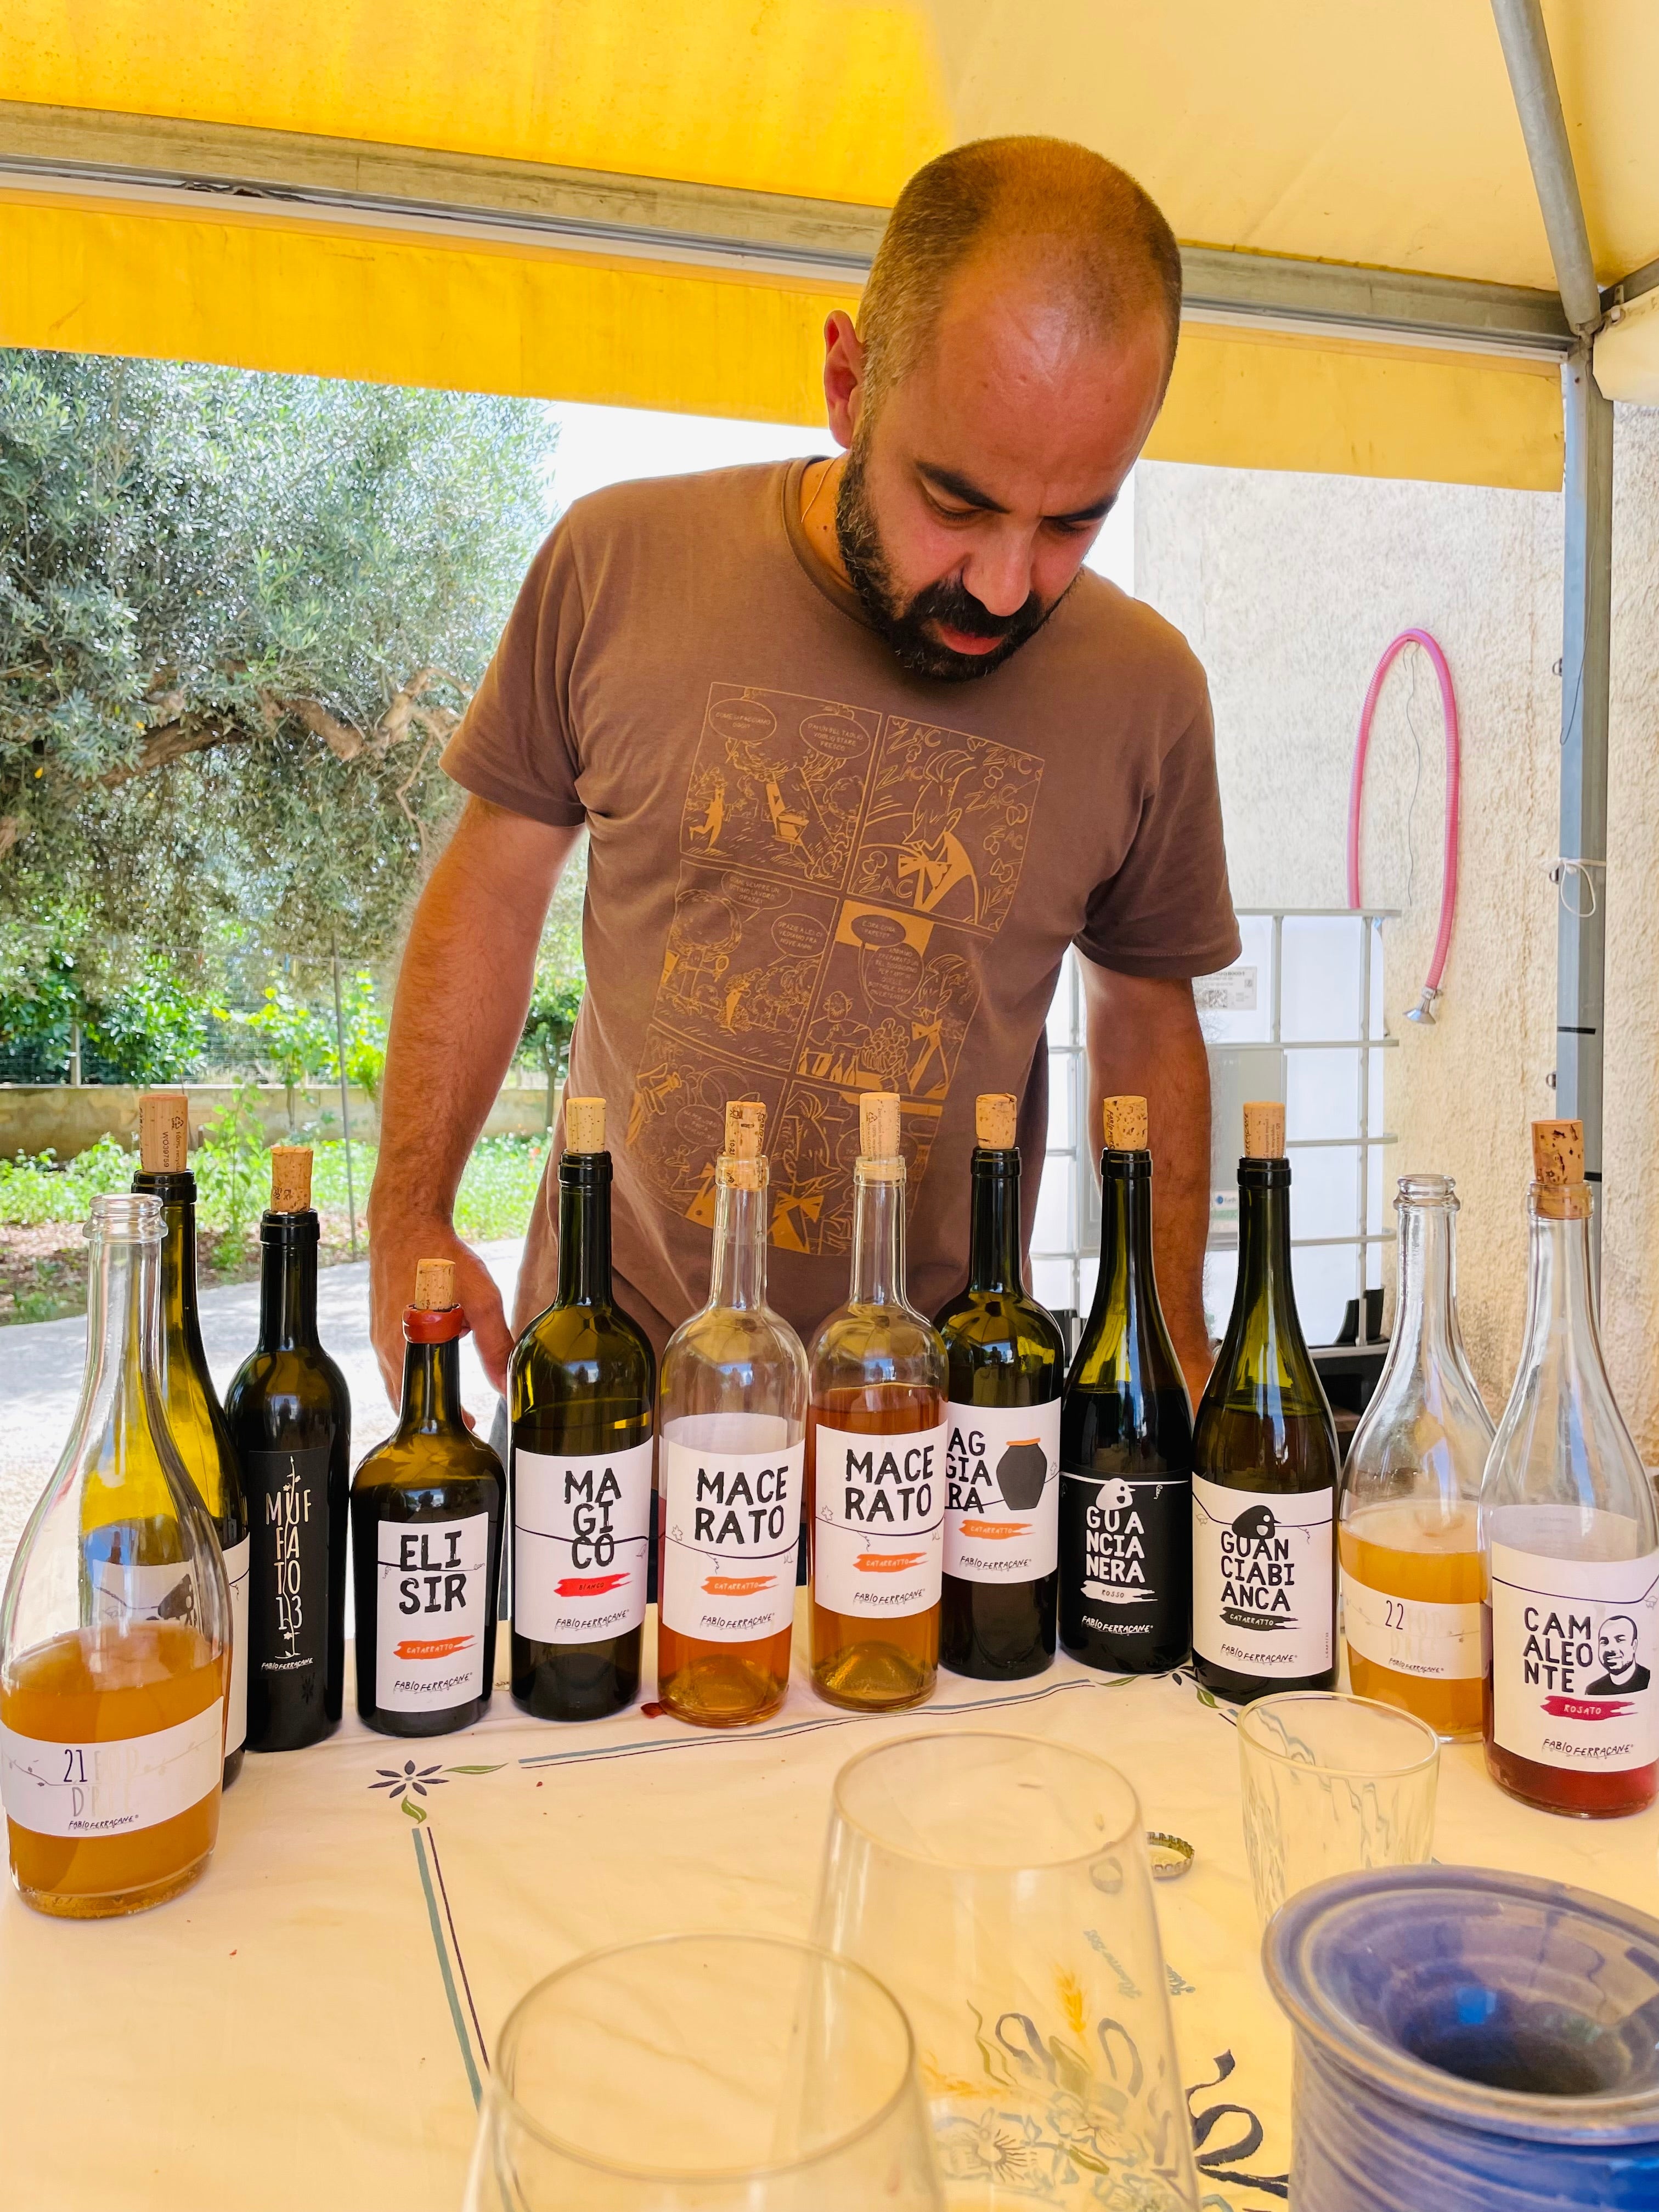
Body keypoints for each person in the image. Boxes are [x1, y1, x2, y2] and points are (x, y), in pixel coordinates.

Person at [367, 135, 1239, 1408]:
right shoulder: (619, 562)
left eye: (1073, 521)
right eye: (957, 503)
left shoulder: (1145, 693)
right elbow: (494, 890)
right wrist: (411, 1214)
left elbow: (1147, 1024)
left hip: (933, 1412)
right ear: (848, 381)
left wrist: (1175, 1342)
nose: (1006, 586)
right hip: (612, 1387)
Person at [1587, 1616, 1650, 1695]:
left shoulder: (1652, 1680)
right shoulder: (1593, 1691)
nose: (1611, 1649)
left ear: (1634, 1646)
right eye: (1604, 1642)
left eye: (1620, 1640)